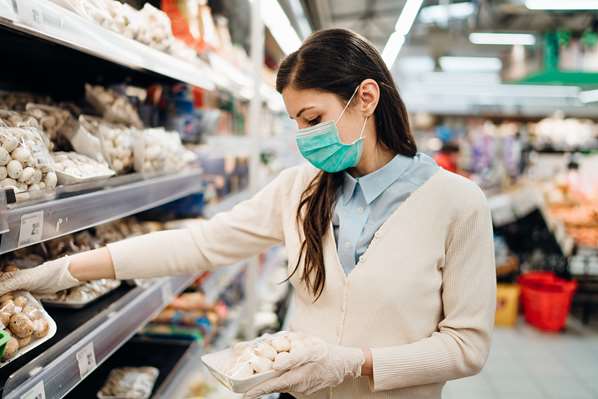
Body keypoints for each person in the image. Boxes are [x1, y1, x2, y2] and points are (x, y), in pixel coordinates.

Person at [0, 29, 496, 399]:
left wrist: (351, 363)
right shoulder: (300, 190)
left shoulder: (457, 204)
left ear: (366, 97)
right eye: (297, 124)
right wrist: (60, 271)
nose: (304, 138)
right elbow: (198, 243)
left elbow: (465, 348)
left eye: (314, 119)